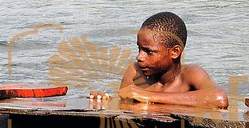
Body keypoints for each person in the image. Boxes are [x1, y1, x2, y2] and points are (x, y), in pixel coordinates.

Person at [90, 12, 228, 109]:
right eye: (139, 49)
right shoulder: (135, 72)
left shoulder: (190, 75)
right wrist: (106, 101)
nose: (139, 57)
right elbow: (125, 107)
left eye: (148, 51)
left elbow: (219, 99)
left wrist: (148, 96)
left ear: (174, 52)